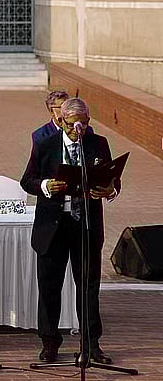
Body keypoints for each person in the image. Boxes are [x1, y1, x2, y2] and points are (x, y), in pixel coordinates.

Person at [21, 97, 119, 364]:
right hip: (53, 225)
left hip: (85, 224)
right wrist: (44, 186)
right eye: (73, 124)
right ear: (61, 121)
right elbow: (27, 179)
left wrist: (110, 189)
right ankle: (50, 342)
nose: (79, 129)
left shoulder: (98, 143)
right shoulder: (45, 145)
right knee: (50, 286)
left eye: (85, 124)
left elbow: (113, 177)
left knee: (88, 286)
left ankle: (91, 344)